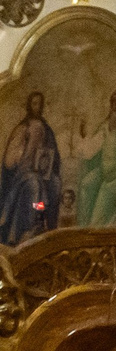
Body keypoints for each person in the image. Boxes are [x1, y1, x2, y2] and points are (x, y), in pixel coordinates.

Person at [71, 88, 116, 226]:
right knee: (86, 184)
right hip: (104, 171)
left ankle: (95, 231)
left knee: (106, 190)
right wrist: (83, 137)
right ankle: (83, 227)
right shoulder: (106, 125)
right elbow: (92, 148)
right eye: (113, 103)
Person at [0, 93, 60, 244]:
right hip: (21, 176)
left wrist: (48, 165)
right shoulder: (22, 129)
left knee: (55, 184)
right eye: (34, 104)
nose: (37, 107)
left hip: (41, 174)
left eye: (40, 104)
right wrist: (19, 156)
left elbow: (54, 156)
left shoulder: (47, 130)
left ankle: (46, 224)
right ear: (29, 106)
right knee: (34, 186)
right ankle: (27, 227)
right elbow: (9, 162)